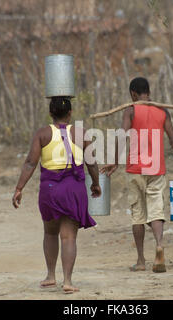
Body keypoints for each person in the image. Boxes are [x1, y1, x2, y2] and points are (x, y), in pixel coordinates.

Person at [101, 77, 173, 273]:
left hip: (135, 170)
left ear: (133, 94)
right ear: (148, 92)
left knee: (138, 216)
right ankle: (159, 245)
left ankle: (141, 261)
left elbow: (122, 136)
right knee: (156, 211)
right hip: (156, 169)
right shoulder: (163, 111)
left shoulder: (131, 110)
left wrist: (115, 160)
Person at [12, 97, 101, 294]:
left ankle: (51, 276)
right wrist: (95, 183)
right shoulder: (81, 133)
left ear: (50, 113)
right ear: (70, 113)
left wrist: (19, 188)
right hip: (74, 188)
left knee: (50, 232)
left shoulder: (42, 134)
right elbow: (92, 163)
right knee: (68, 237)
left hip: (50, 189)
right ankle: (67, 281)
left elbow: (30, 162)